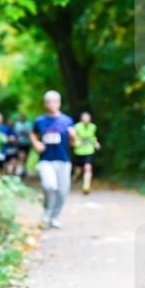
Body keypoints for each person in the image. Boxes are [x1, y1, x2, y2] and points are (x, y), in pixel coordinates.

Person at [31, 90, 77, 228]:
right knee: (49, 185)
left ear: (59, 103)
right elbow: (33, 134)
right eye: (49, 101)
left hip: (63, 160)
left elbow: (73, 144)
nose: (52, 104)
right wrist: (36, 143)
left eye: (54, 101)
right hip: (46, 160)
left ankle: (53, 218)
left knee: (62, 192)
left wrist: (73, 136)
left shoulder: (67, 121)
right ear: (45, 104)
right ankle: (46, 213)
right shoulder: (40, 121)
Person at [72, 111, 100, 194]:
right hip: (79, 152)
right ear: (81, 119)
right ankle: (75, 176)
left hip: (89, 151)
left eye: (88, 118)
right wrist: (75, 143)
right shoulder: (76, 127)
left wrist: (96, 143)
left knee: (88, 168)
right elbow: (73, 138)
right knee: (79, 169)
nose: (86, 119)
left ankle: (86, 186)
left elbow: (93, 137)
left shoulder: (93, 127)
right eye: (85, 118)